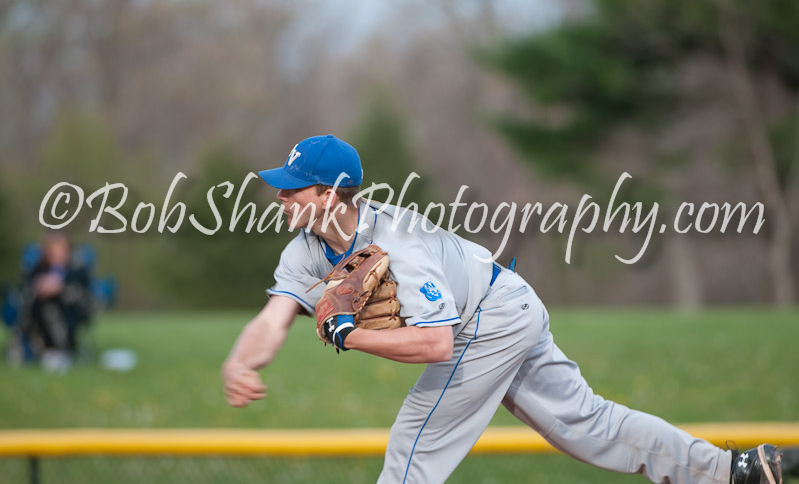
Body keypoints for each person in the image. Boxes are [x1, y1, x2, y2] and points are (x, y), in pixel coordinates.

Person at [222, 134, 783, 484]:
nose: (280, 196)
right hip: (504, 303)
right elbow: (273, 318)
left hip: (486, 319)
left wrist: (349, 335)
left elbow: (435, 346)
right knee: (584, 424)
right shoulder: (303, 249)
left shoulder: (401, 240)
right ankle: (731, 472)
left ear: (328, 194)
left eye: (294, 188)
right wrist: (242, 363)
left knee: (415, 446)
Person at [18, 232, 93, 371]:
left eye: (61, 250)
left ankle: (60, 349)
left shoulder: (76, 267)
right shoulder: (40, 267)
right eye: (53, 251)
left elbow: (84, 292)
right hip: (40, 310)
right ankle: (42, 349)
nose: (57, 255)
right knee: (39, 303)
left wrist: (60, 289)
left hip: (71, 311)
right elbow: (26, 284)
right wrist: (40, 286)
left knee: (50, 306)